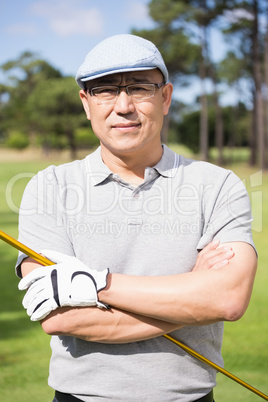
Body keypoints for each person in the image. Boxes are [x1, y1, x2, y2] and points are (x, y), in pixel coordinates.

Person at [16, 34, 257, 402]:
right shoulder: (48, 186)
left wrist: (93, 285)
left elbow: (227, 299)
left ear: (165, 98)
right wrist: (194, 294)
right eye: (106, 90)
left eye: (140, 88)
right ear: (86, 103)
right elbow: (60, 316)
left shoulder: (218, 184)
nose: (124, 105)